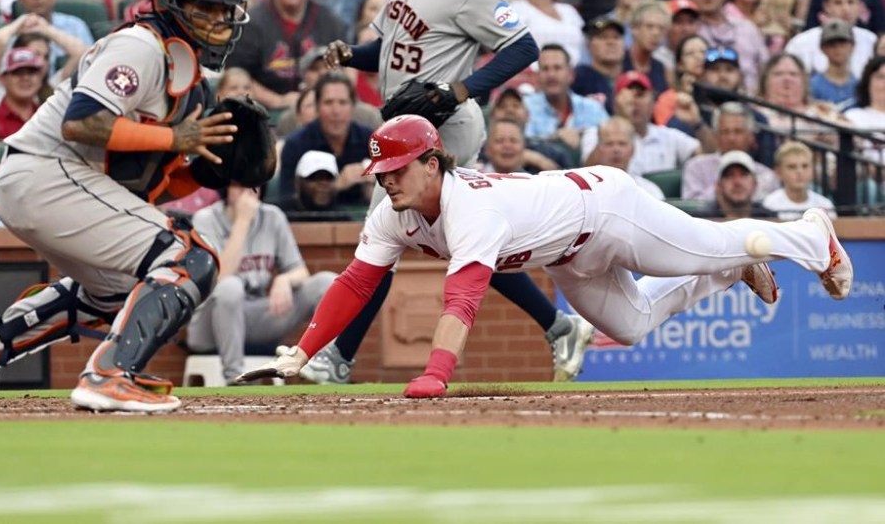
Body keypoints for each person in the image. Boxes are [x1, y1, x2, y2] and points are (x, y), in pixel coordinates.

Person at [239, 114, 853, 396]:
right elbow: (355, 283)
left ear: (432, 162)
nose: (387, 179)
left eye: (399, 168)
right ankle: (731, 272)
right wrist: (302, 353)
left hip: (608, 212)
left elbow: (464, 298)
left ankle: (809, 234)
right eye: (382, 170)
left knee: (712, 240)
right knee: (632, 326)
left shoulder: (466, 207)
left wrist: (436, 373)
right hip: (565, 254)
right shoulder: (390, 212)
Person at [0, 0, 258, 413]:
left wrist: (204, 175)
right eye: (206, 7)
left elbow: (140, 188)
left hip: (54, 183)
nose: (219, 19)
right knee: (191, 257)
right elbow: (82, 121)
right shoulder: (140, 45)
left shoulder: (189, 83)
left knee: (124, 290)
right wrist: (175, 139)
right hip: (45, 172)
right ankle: (109, 374)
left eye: (223, 9)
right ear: (173, 1)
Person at [310, 0, 589, 387]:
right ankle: (559, 325)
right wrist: (351, 54)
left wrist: (461, 88)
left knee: (381, 243)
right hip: (402, 128)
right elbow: (394, 51)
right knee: (469, 242)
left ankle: (338, 358)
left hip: (446, 129)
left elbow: (522, 46)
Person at [185, 182, 336, 384]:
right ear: (226, 190)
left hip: (254, 316)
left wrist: (284, 279)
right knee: (230, 287)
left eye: (253, 187)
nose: (247, 194)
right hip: (210, 323)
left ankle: (325, 370)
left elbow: (301, 272)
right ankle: (236, 379)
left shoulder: (272, 217)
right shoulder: (205, 219)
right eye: (239, 187)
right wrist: (242, 222)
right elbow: (220, 278)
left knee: (327, 283)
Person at [225, 0, 348, 111]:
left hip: (321, 107)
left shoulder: (330, 21)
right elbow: (238, 73)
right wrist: (278, 100)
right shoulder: (252, 22)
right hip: (264, 109)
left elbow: (347, 66)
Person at [277, 72, 376, 206]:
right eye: (328, 103)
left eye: (343, 102)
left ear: (353, 107)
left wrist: (374, 186)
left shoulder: (371, 140)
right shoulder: (296, 145)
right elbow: (287, 199)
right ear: (317, 107)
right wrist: (335, 186)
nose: (336, 111)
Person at [680, 101, 779, 201]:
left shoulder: (766, 175)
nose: (731, 138)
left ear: (751, 136)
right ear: (716, 136)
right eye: (725, 132)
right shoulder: (696, 167)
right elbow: (691, 207)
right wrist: (721, 188)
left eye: (738, 131)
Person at [592, 116, 666, 199]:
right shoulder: (586, 192)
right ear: (598, 149)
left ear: (633, 150)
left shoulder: (650, 191)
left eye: (622, 144)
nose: (616, 150)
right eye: (609, 144)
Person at [691, 150, 779, 219]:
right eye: (729, 175)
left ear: (755, 184)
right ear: (719, 185)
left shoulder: (769, 218)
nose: (737, 182)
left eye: (743, 175)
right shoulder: (703, 220)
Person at [762, 140, 836, 219]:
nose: (800, 172)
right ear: (779, 172)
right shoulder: (770, 204)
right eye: (792, 167)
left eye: (805, 166)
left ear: (812, 170)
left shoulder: (825, 205)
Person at [0, 47, 46, 139]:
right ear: (3, 79)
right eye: (17, 73)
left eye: (31, 72)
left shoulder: (48, 117)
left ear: (40, 78)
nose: (25, 78)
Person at [275, 149, 353, 222]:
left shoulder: (342, 218)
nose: (323, 183)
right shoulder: (279, 215)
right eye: (313, 177)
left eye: (329, 178)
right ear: (298, 182)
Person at [809, 19, 859, 111]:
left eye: (842, 43)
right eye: (832, 44)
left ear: (852, 46)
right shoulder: (812, 86)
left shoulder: (861, 85)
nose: (838, 48)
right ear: (822, 48)